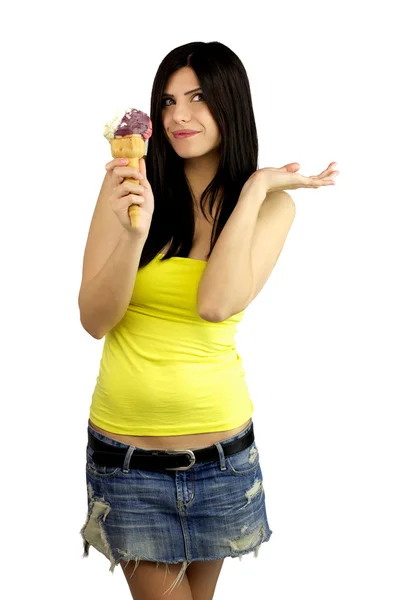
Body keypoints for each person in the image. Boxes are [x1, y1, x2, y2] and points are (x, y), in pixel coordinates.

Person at [78, 41, 338, 600]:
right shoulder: (128, 184)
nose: (178, 116)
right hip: (128, 466)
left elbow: (217, 303)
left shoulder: (270, 207)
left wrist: (256, 188)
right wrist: (132, 234)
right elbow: (94, 319)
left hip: (223, 464)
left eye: (197, 98)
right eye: (168, 101)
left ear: (230, 103)